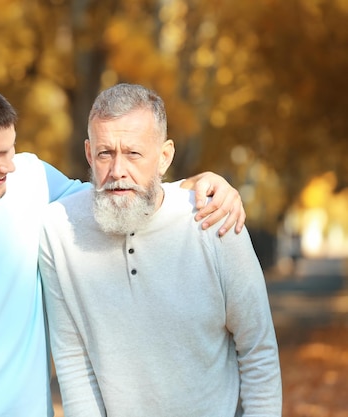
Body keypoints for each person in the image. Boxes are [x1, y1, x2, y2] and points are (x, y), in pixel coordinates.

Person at [0, 78, 247, 417]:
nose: (9, 166)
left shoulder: (31, 181)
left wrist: (195, 186)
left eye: (10, 149)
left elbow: (115, 195)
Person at [38, 83, 282, 416]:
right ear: (88, 154)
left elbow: (258, 352)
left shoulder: (213, 221)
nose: (117, 170)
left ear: (164, 156)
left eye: (134, 153)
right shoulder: (58, 231)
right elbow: (74, 365)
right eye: (105, 153)